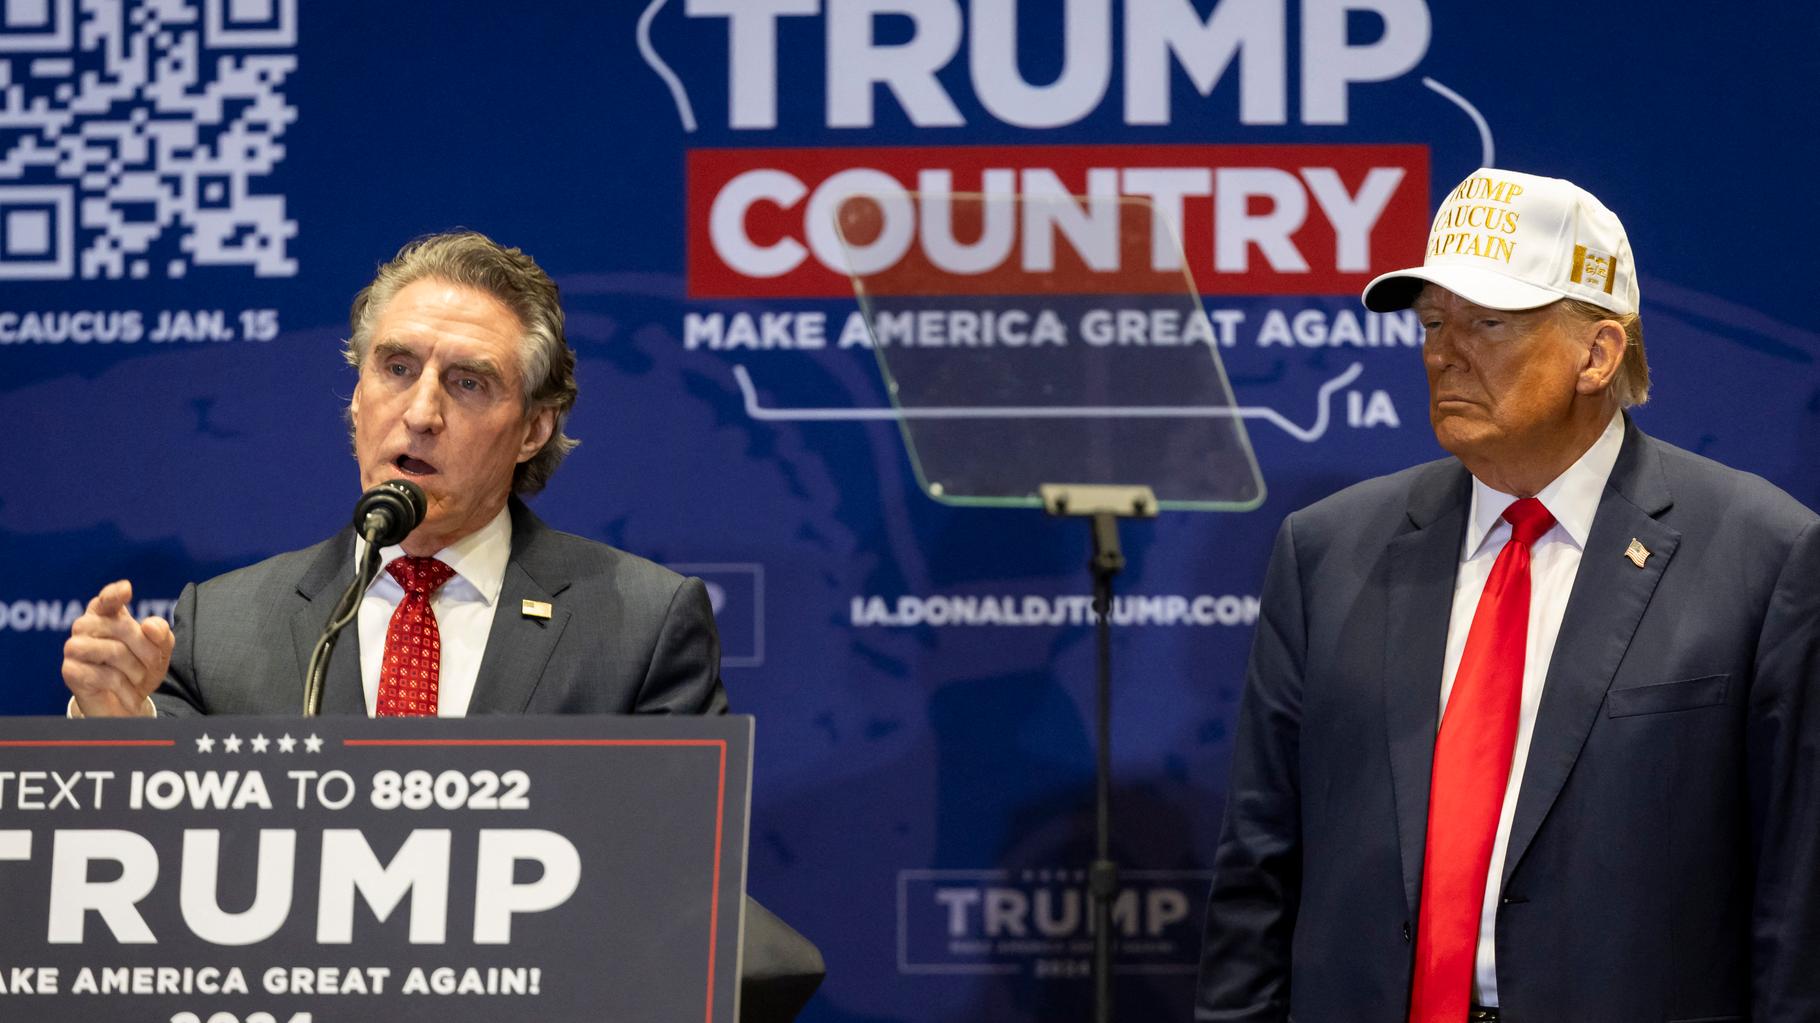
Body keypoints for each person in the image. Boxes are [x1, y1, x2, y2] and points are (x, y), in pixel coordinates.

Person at [59, 230, 822, 1020]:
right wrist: (117, 725)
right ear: (357, 396)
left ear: (533, 428)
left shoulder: (639, 622)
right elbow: (154, 883)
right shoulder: (219, 622)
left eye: (467, 382)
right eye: (396, 368)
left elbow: (677, 900)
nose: (420, 412)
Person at [1195, 169, 1820, 1022]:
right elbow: (1255, 883)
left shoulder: (1765, 555)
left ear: (1597, 353)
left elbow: (1799, 909)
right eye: (1433, 322)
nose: (1444, 352)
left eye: (1487, 322)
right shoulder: (1327, 550)